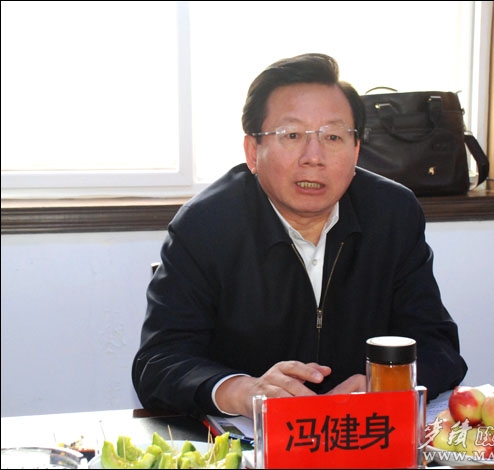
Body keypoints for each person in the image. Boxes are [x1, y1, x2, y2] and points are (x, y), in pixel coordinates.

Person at [132, 53, 468, 419]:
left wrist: (383, 385)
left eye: (333, 136)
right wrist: (243, 391)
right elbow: (159, 362)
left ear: (356, 149)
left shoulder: (393, 214)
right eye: (291, 135)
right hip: (250, 437)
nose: (314, 157)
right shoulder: (206, 225)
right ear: (252, 151)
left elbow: (437, 345)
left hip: (362, 430)